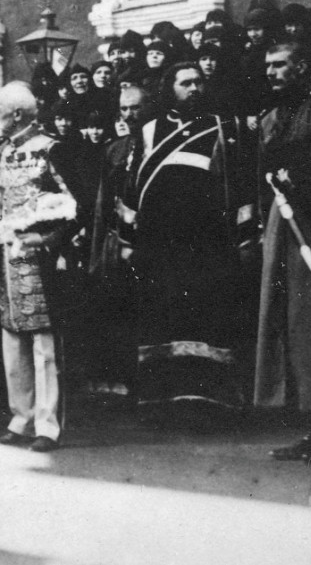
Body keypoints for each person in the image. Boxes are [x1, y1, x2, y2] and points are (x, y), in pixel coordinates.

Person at [127, 63, 254, 417]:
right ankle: (161, 400)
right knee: (163, 316)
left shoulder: (223, 127)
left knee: (206, 316)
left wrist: (245, 237)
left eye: (199, 82)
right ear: (171, 88)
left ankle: (210, 400)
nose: (194, 88)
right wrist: (127, 239)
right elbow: (131, 187)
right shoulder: (149, 130)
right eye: (186, 83)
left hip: (207, 241)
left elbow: (240, 184)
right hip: (159, 242)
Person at [253, 41, 311, 463]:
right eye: (268, 66)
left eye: (280, 65)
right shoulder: (269, 118)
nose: (272, 72)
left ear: (301, 67)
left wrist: (301, 184)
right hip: (281, 226)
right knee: (288, 322)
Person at [0, 82, 78, 452]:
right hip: (9, 259)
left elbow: (78, 205)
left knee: (44, 344)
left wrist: (48, 240)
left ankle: (47, 425)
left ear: (17, 115)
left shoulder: (52, 148)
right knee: (13, 339)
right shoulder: (1, 151)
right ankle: (21, 419)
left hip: (42, 260)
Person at [87, 84, 157, 397]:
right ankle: (126, 381)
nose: (129, 115)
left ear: (149, 107)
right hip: (119, 245)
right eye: (124, 109)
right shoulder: (115, 150)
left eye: (136, 108)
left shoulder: (161, 143)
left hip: (152, 242)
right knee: (121, 311)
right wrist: (98, 254)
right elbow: (102, 204)